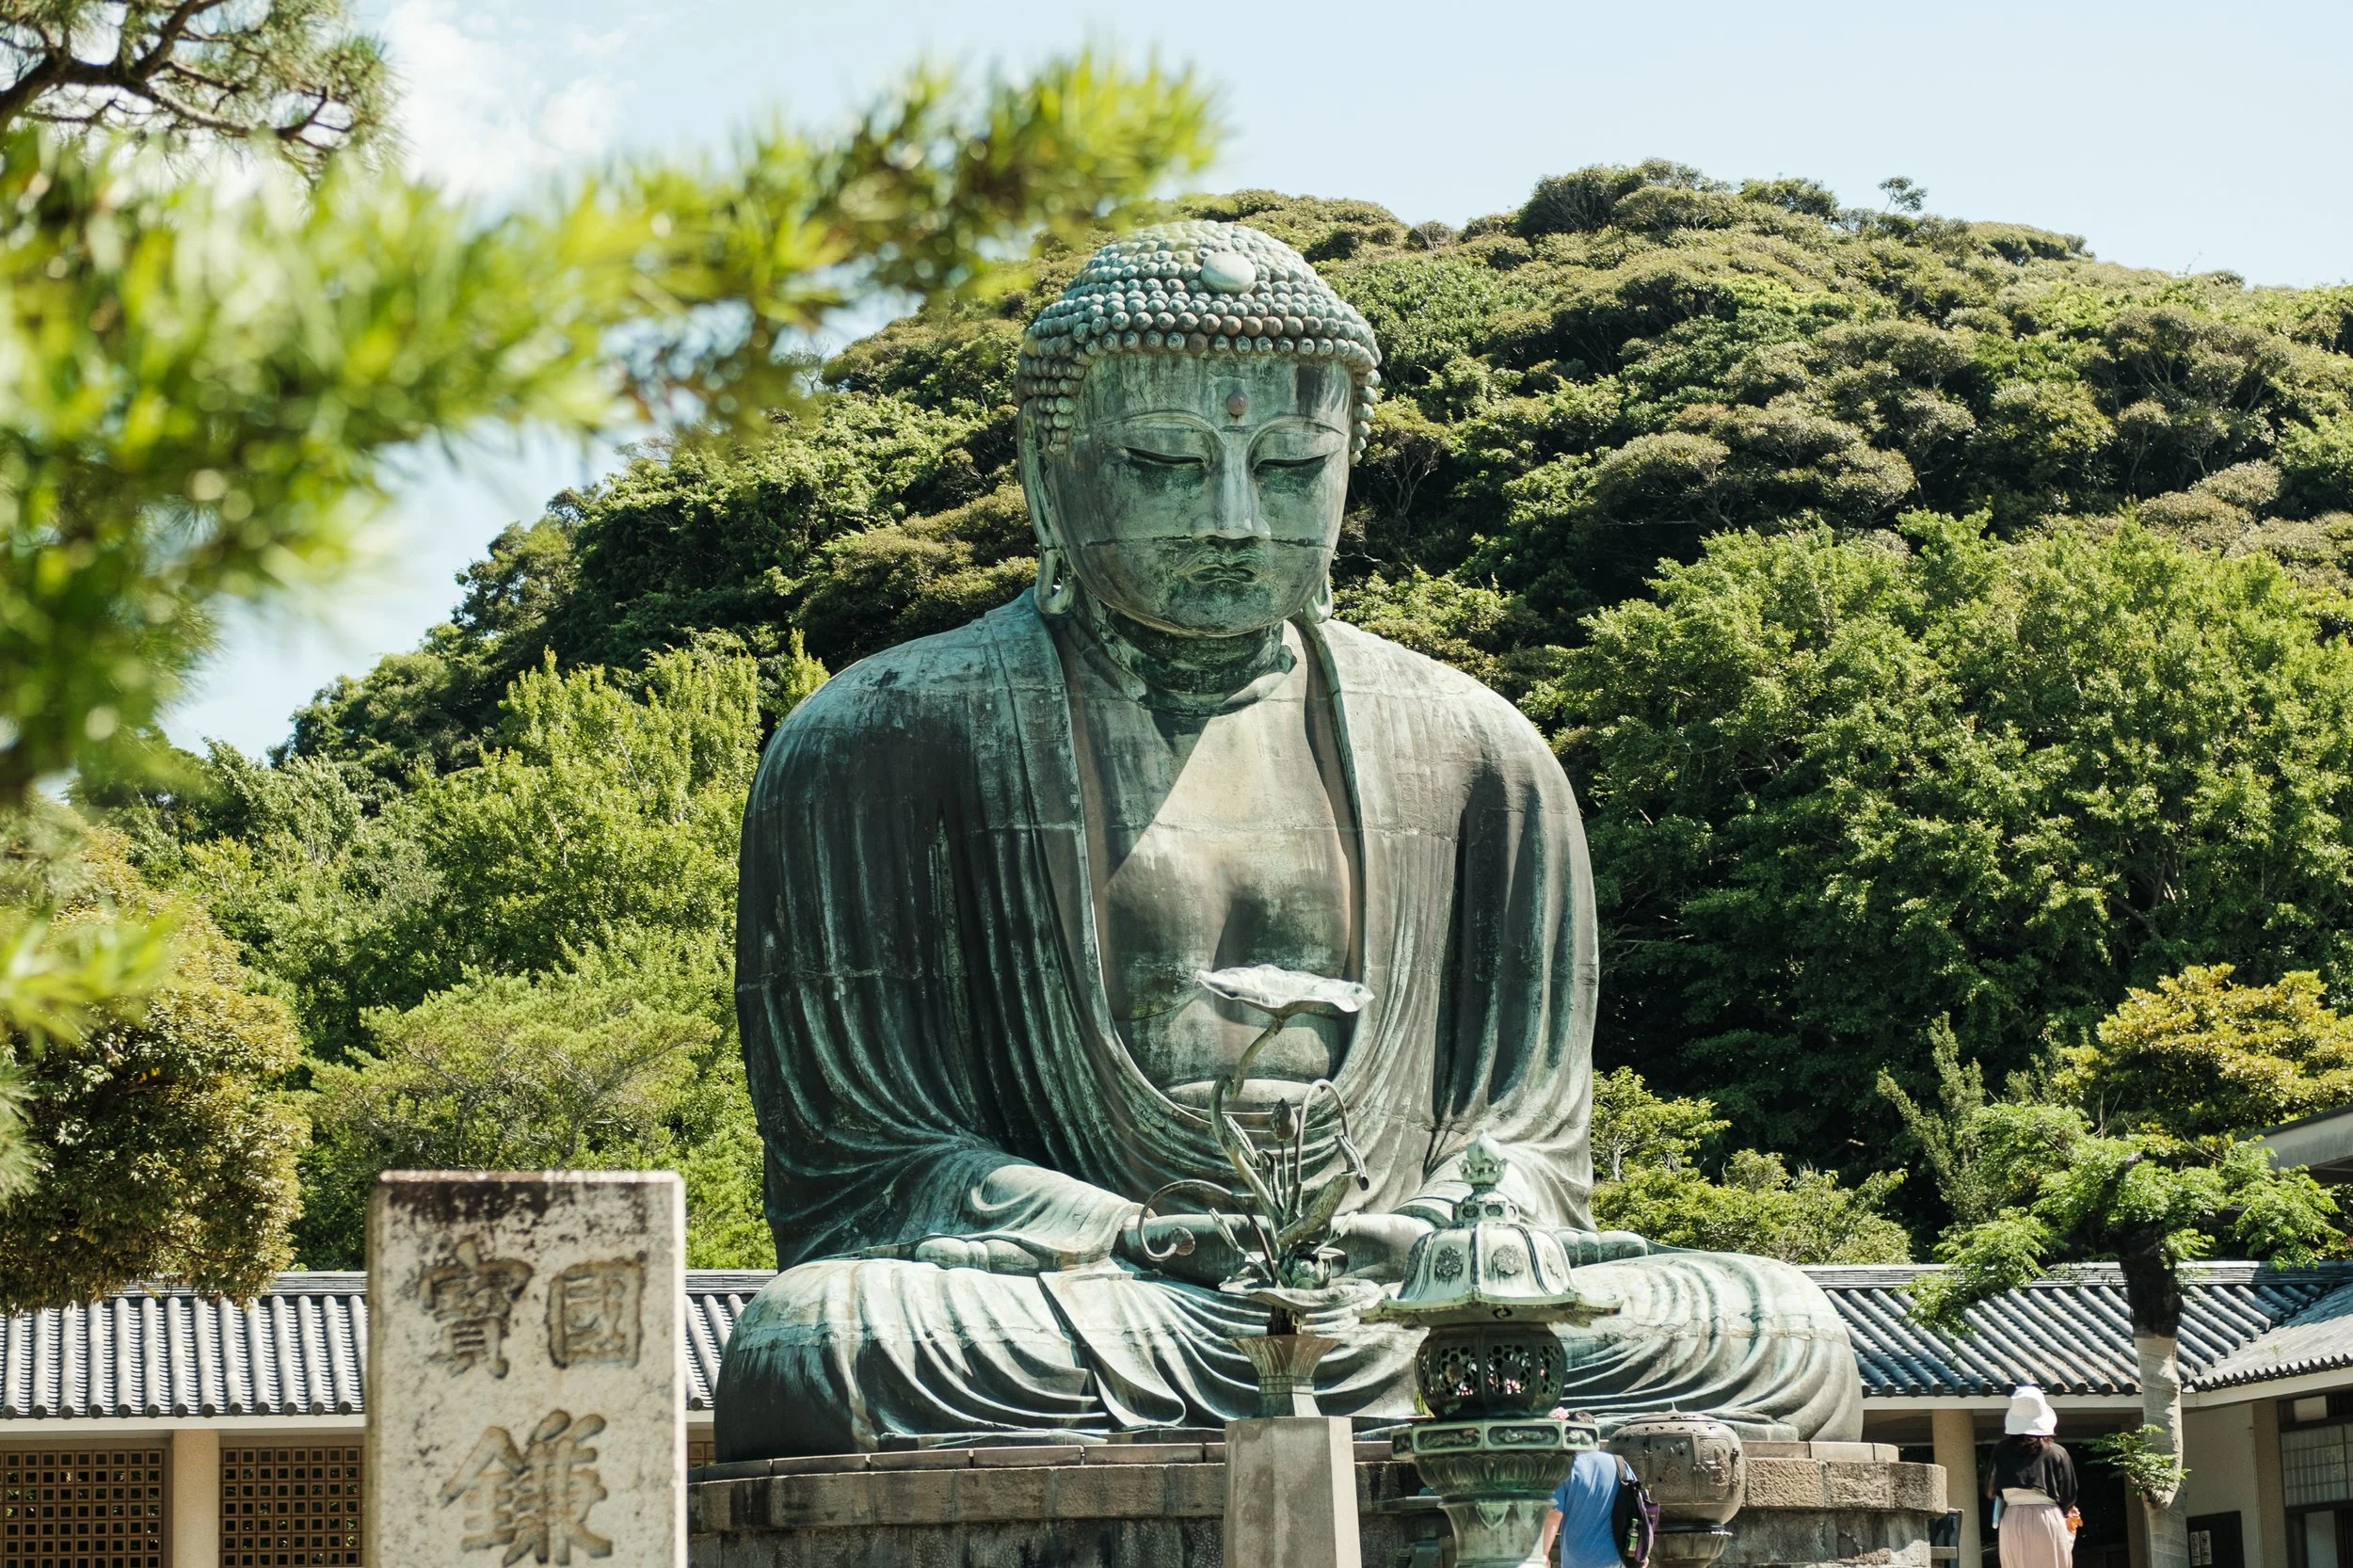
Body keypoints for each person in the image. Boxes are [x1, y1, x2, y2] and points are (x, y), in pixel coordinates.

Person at [713, 219, 1867, 1458]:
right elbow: (867, 1169)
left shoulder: (1482, 753)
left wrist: (1442, 1232)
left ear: (1347, 472)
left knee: (1782, 1328)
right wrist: (1129, 1234)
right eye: (1163, 460)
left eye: (1283, 468)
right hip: (1095, 1303)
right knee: (825, 1336)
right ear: (1052, 469)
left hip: (1414, 1309)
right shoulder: (882, 735)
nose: (1227, 518)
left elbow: (1526, 1145)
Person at [1988, 1385, 2080, 1568]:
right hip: (2047, 1516)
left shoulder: (2000, 1450)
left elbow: (1990, 1490)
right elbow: (2069, 1493)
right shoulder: (2056, 1452)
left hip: (2012, 1518)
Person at [1535, 1437, 1642, 1568]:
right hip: (1618, 1556)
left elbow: (1554, 1514)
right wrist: (1643, 1551)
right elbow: (1638, 1505)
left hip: (1580, 1559)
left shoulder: (1566, 1468)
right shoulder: (1619, 1463)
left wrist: (1544, 1554)